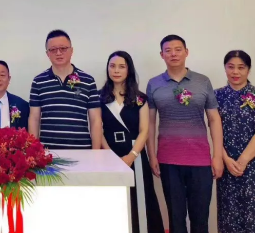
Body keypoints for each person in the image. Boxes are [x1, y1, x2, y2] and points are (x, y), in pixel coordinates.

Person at [147, 35, 224, 233]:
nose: (173, 54)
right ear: (162, 55)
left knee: (200, 219)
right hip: (168, 160)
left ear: (186, 52)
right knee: (176, 219)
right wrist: (152, 155)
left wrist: (217, 156)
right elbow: (150, 123)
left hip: (200, 160)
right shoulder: (154, 84)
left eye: (178, 49)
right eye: (168, 50)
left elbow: (214, 120)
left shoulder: (202, 81)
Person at [99, 51, 165, 233]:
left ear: (129, 70)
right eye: (112, 66)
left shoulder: (140, 98)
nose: (116, 70)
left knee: (141, 199)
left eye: (121, 66)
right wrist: (109, 155)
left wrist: (132, 155)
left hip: (135, 155)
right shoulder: (99, 97)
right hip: (109, 156)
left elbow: (145, 130)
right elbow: (98, 130)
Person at [28, 29, 102, 149]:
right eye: (53, 49)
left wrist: (96, 153)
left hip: (82, 151)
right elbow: (34, 119)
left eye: (63, 48)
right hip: (48, 153)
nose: (58, 53)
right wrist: (34, 151)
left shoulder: (88, 80)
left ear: (71, 51)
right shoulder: (38, 81)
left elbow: (95, 120)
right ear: (47, 53)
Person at [215, 50, 255, 233]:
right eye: (231, 67)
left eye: (241, 67)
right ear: (225, 68)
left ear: (248, 69)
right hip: (226, 164)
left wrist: (243, 160)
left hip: (252, 163)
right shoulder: (216, 96)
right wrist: (224, 158)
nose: (235, 72)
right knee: (228, 213)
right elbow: (212, 130)